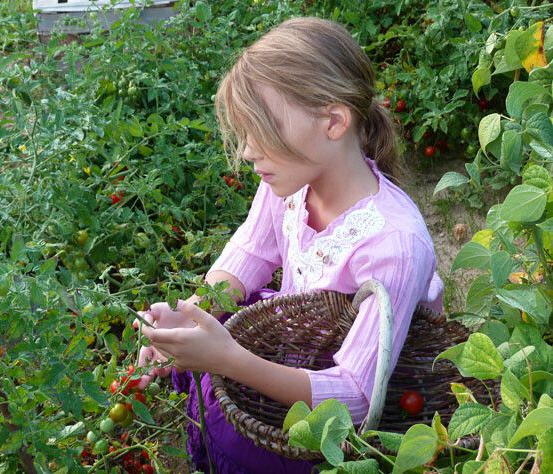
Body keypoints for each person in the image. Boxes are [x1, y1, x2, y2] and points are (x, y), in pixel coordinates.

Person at [133, 17, 444, 474]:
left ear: (334, 121)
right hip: (309, 334)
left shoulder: (394, 244)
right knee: (203, 356)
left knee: (235, 430)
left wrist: (232, 360)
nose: (245, 152)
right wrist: (195, 309)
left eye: (262, 129)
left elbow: (356, 401)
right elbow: (251, 252)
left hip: (371, 379)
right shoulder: (295, 180)